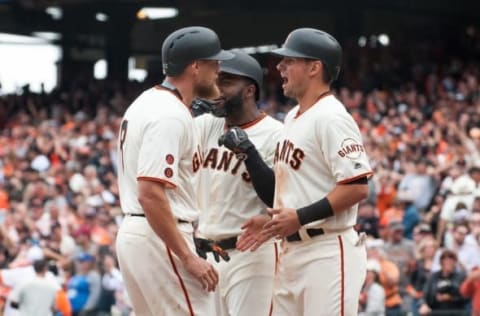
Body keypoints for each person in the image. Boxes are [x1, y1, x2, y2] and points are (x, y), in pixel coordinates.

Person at [220, 28, 373, 315]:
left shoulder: (332, 117)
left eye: (289, 61)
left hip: (327, 250)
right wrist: (270, 220)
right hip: (292, 253)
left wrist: (300, 217)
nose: (280, 67)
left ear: (314, 67)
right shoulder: (292, 117)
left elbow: (357, 187)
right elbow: (299, 189)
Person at [115, 26, 233, 316]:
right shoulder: (170, 113)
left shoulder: (146, 102)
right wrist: (186, 255)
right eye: (213, 62)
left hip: (142, 233)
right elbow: (151, 194)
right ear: (195, 66)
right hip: (159, 236)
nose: (218, 69)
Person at [195, 50, 283, 316]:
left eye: (227, 82)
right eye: (216, 80)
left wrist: (248, 153)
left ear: (249, 91)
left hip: (253, 255)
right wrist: (184, 107)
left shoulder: (277, 134)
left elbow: (277, 197)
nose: (217, 89)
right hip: (207, 252)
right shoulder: (204, 125)